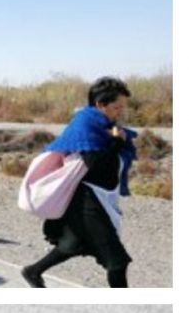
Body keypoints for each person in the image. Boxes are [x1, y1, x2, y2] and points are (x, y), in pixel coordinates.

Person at [21, 77, 137, 288]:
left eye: (124, 107)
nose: (121, 111)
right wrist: (117, 142)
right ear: (100, 104)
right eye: (117, 106)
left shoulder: (105, 126)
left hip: (99, 197)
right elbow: (95, 162)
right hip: (86, 201)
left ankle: (33, 271)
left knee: (73, 244)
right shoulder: (86, 124)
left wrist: (116, 140)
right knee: (117, 261)